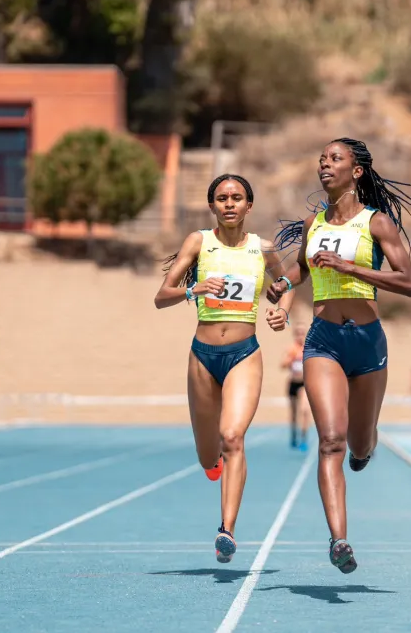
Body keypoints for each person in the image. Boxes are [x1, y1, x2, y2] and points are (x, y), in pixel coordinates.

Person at [267, 137, 411, 574]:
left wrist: (351, 268)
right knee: (330, 440)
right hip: (323, 340)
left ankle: (366, 447)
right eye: (321, 159)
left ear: (356, 170)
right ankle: (339, 539)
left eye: (335, 159)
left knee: (360, 443)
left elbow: (408, 282)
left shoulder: (376, 224)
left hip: (367, 341)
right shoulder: (312, 223)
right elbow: (302, 265)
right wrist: (284, 285)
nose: (325, 164)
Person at [154, 173, 295, 564]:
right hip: (202, 356)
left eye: (237, 198)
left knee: (232, 436)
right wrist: (192, 289)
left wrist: (281, 311)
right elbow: (160, 297)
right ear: (212, 205)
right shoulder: (199, 243)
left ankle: (226, 530)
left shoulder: (262, 249)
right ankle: (211, 465)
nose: (229, 203)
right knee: (207, 454)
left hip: (244, 354)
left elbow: (286, 283)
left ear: (249, 205)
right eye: (222, 198)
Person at [282, 324, 311, 451]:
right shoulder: (292, 349)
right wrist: (292, 359)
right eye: (298, 333)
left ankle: (304, 438)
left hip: (304, 384)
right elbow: (282, 365)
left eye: (302, 333)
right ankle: (294, 436)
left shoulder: (309, 349)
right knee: (294, 413)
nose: (300, 336)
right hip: (293, 383)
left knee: (304, 410)